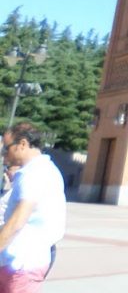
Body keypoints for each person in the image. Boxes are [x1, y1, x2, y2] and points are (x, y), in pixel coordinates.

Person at [0, 123, 66, 292]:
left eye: (7, 148)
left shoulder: (33, 174)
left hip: (22, 263)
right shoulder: (44, 170)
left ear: (22, 144)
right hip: (21, 261)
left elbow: (17, 221)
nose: (4, 154)